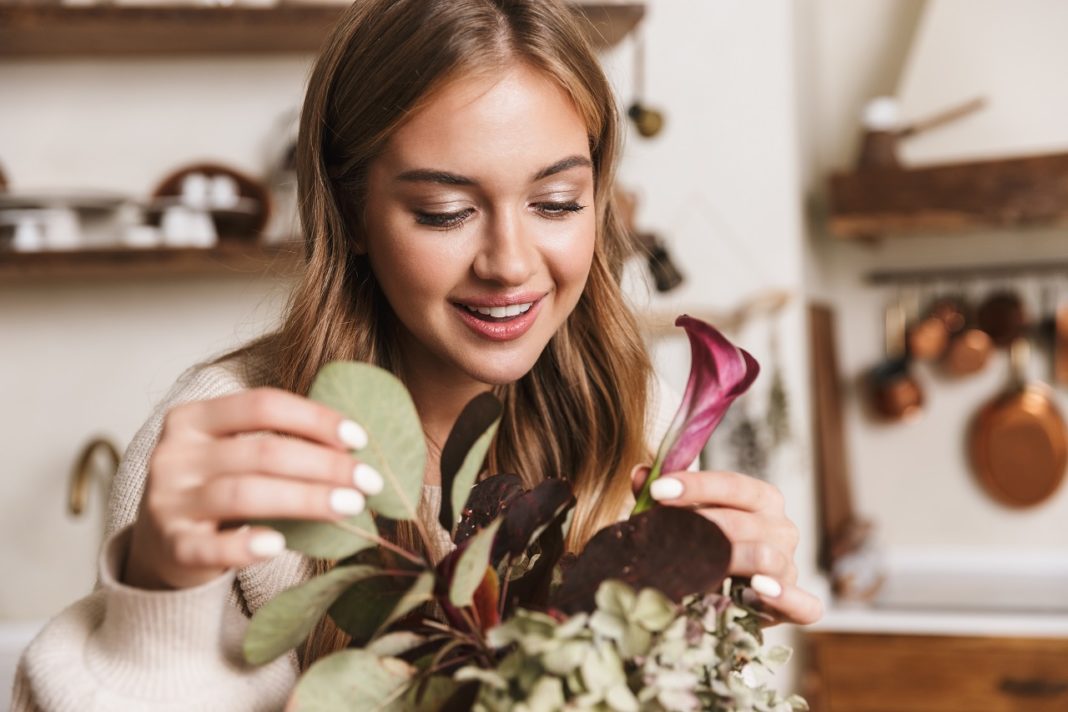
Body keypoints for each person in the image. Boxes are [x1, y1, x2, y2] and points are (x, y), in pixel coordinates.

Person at [12, 0, 822, 709]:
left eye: (556, 202)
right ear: (353, 213)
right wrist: (160, 609)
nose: (509, 260)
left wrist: (716, 608)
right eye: (443, 212)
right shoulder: (229, 438)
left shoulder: (621, 411)